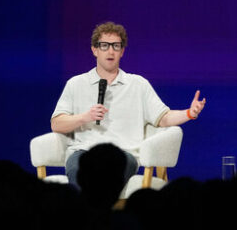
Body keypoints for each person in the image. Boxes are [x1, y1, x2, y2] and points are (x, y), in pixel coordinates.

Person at [51, 21, 207, 187]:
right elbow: (56, 124)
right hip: (84, 151)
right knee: (79, 170)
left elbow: (163, 118)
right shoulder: (76, 84)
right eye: (104, 45)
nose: (110, 51)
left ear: (122, 51)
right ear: (94, 50)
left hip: (123, 153)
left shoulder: (138, 84)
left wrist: (189, 113)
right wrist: (85, 117)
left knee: (109, 176)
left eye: (116, 46)